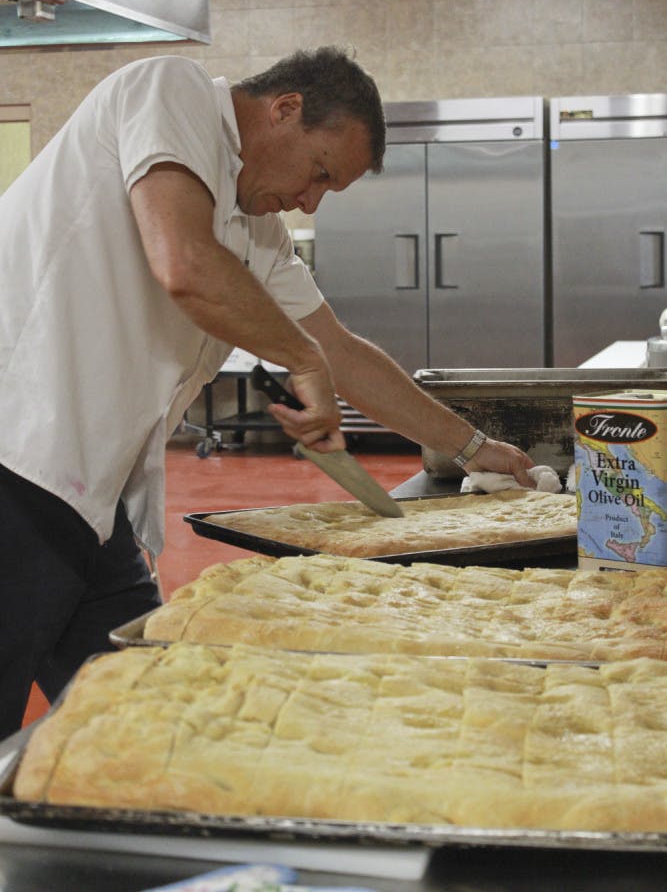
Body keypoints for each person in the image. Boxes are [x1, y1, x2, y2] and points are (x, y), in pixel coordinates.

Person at [0, 46, 533, 739]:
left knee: (141, 719)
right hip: (16, 465)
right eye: (317, 172)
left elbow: (339, 353)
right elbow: (184, 263)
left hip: (92, 501)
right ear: (284, 109)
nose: (310, 201)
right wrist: (297, 354)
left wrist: (470, 446)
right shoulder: (170, 90)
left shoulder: (258, 231)